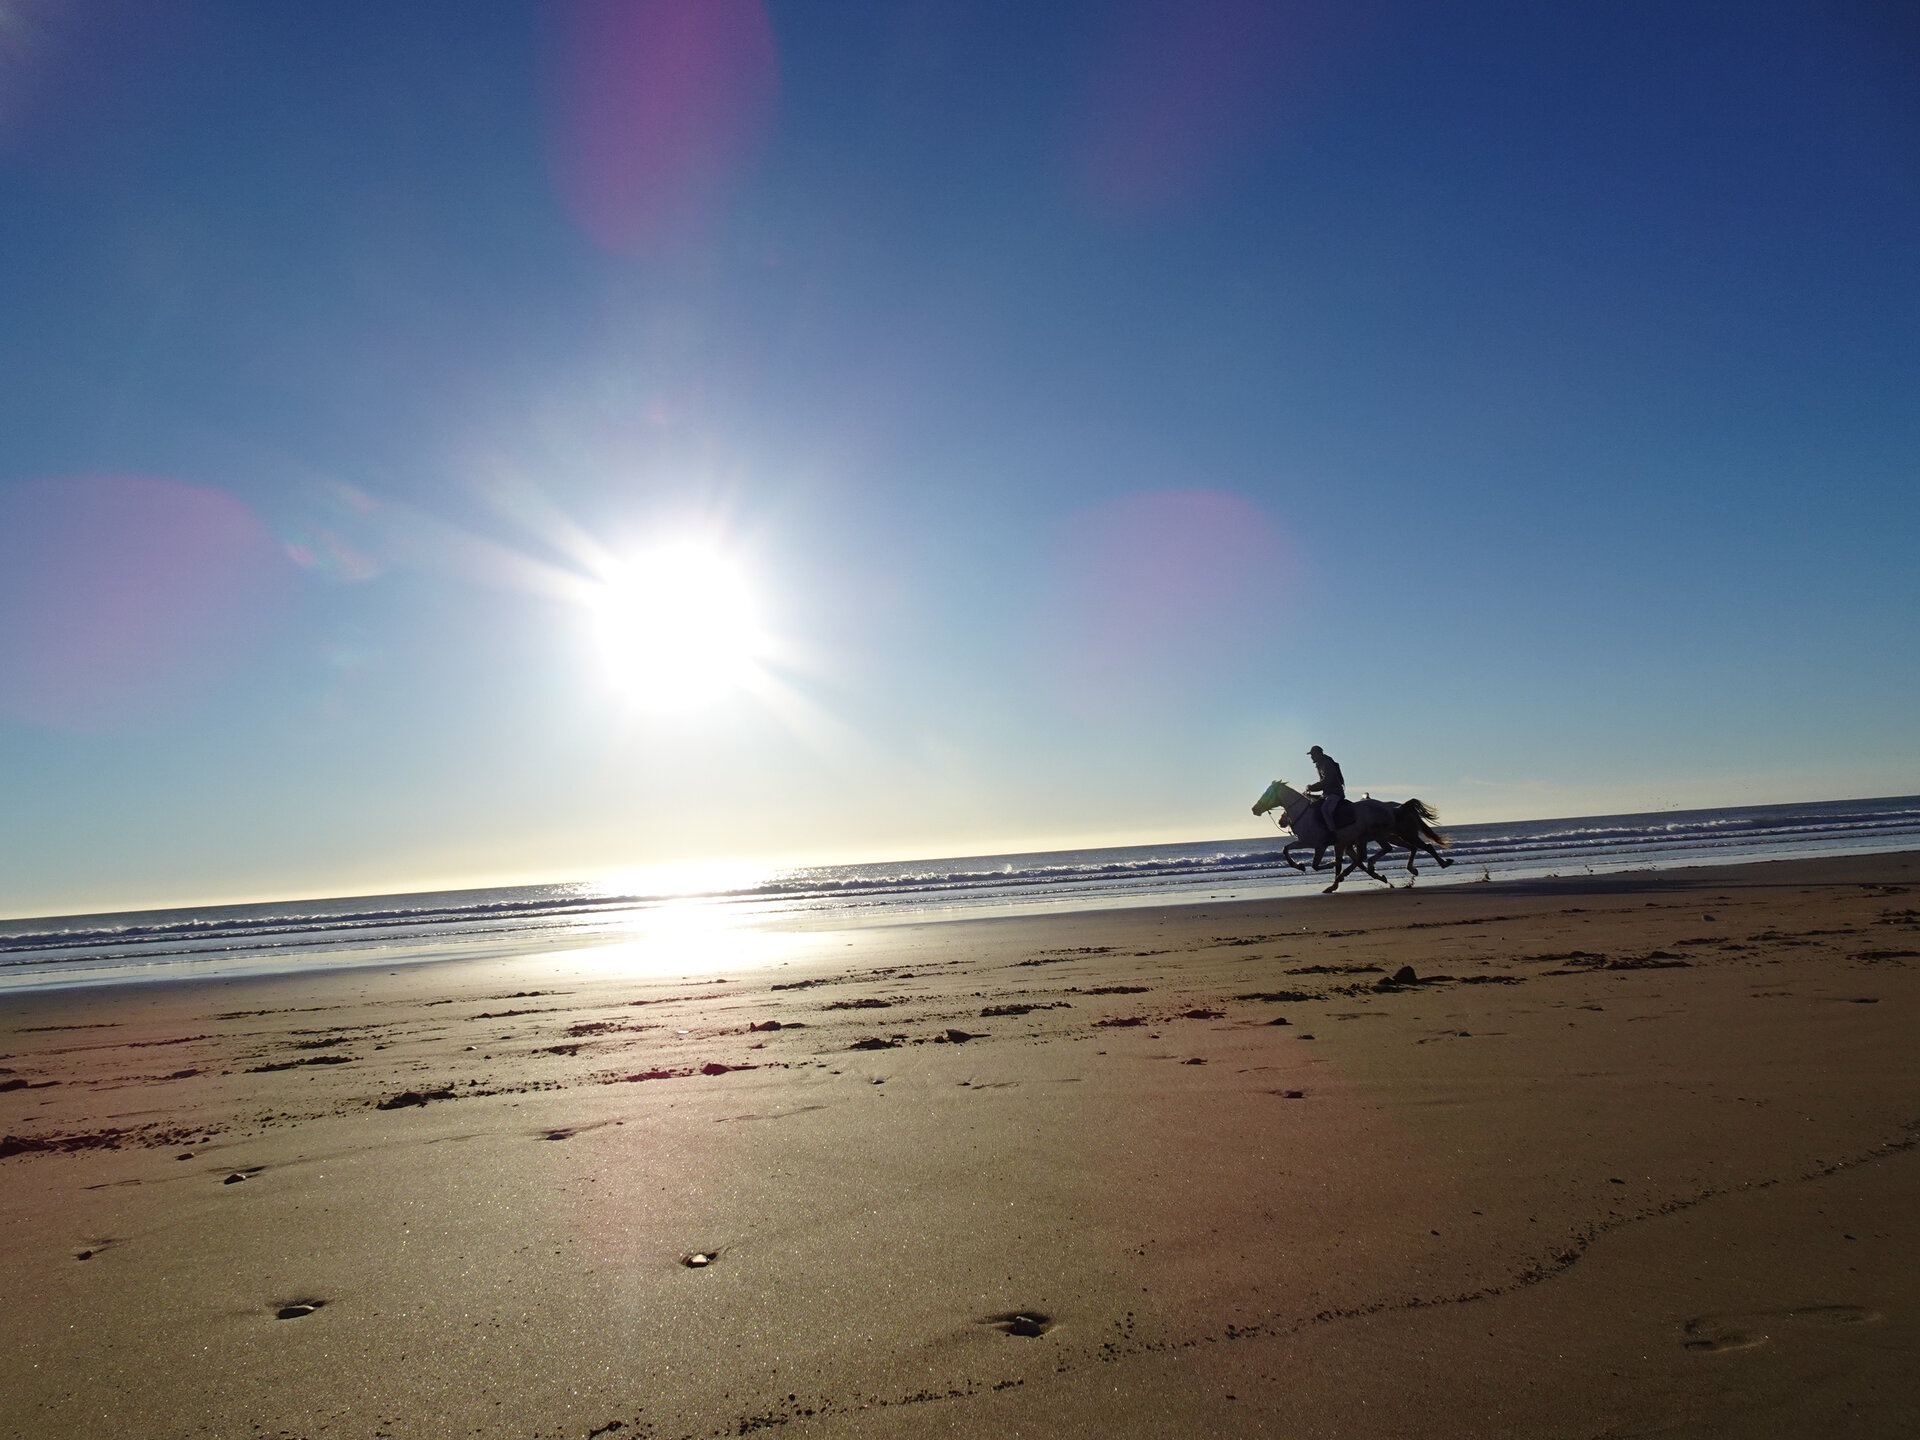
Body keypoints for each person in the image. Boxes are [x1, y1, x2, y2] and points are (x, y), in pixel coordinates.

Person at [1305, 745, 1345, 834]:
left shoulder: (1327, 763)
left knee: (1325, 809)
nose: (1311, 757)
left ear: (1318, 754)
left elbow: (1327, 781)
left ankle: (1333, 832)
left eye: (1312, 755)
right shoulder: (1320, 764)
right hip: (1327, 793)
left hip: (1335, 793)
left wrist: (1312, 787)